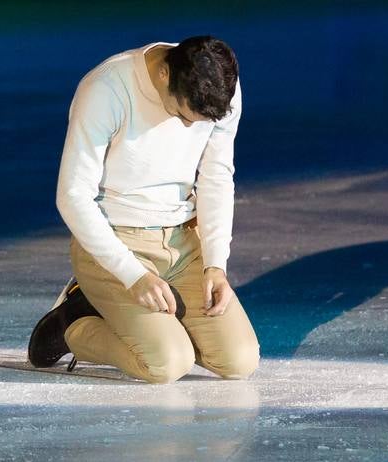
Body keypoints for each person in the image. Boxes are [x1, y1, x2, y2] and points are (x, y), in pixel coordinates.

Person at [28, 35, 260, 383]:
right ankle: (74, 322)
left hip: (182, 244)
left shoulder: (222, 90)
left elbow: (216, 176)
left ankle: (144, 321)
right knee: (167, 363)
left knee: (238, 361)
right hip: (115, 244)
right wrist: (131, 275)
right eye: (183, 115)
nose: (188, 128)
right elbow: (73, 195)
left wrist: (215, 264)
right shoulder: (106, 89)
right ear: (166, 74)